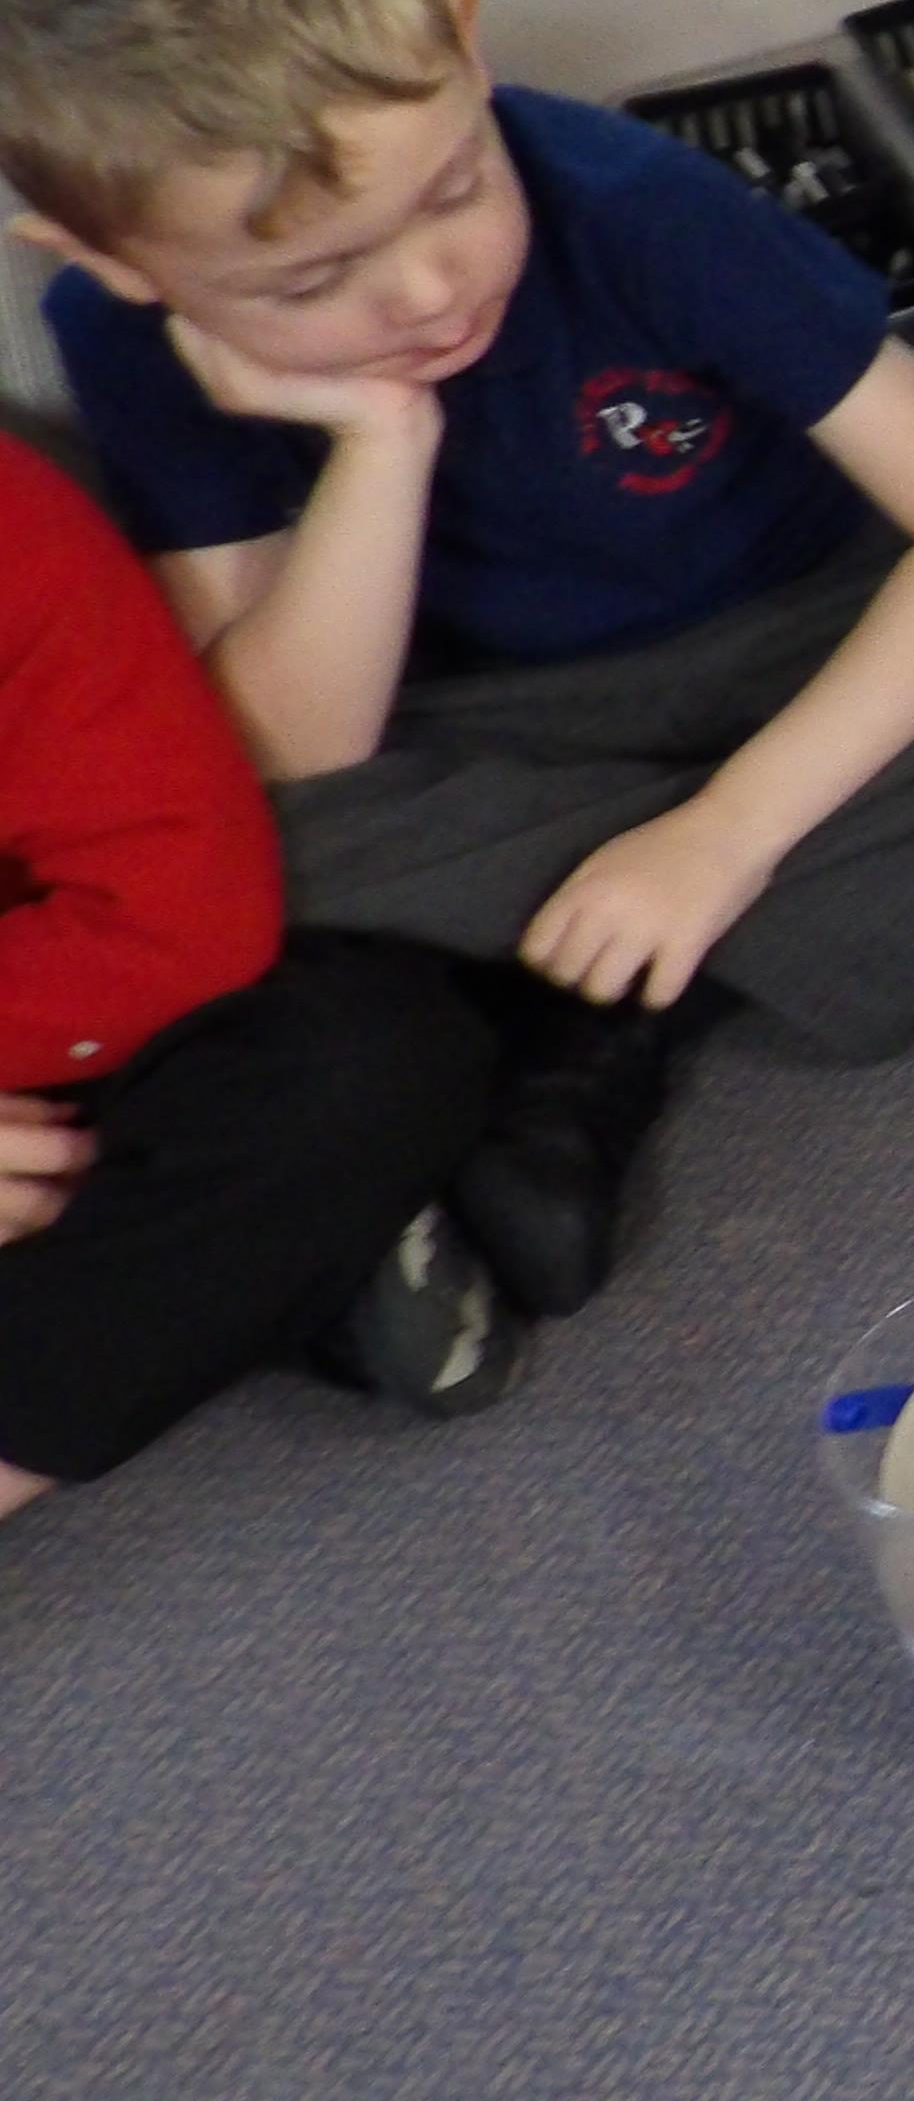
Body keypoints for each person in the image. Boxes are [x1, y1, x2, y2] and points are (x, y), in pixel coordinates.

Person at [0, 0, 914, 1322]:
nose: (425, 291)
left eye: (452, 190)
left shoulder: (631, 202)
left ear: (466, 42)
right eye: (313, 283)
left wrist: (724, 836)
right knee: (271, 848)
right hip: (511, 721)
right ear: (114, 262)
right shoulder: (121, 336)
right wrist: (381, 445)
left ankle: (629, 997)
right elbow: (289, 750)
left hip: (819, 624)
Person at [0, 429, 515, 1523]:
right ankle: (276, 1293)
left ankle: (242, 1291)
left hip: (52, 1030)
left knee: (366, 1060)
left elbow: (173, 918)